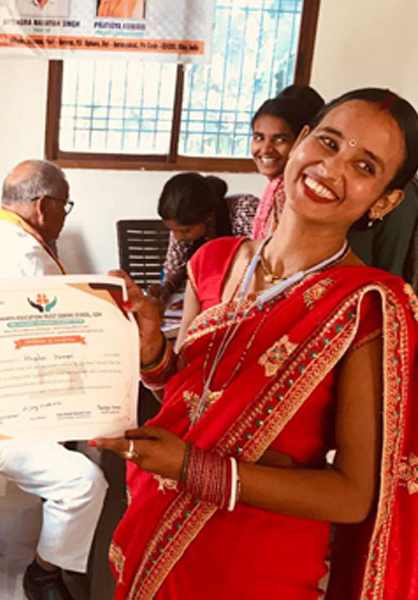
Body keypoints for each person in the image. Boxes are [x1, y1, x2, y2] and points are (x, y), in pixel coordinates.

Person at [92, 88, 418, 599]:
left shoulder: (365, 307)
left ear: (385, 200)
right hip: (153, 530)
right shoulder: (213, 262)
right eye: (329, 142)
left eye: (364, 166)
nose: (331, 169)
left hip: (252, 568)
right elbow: (185, 396)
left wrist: (194, 469)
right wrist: (153, 352)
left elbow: (352, 496)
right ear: (302, 140)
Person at [0, 160, 108, 600]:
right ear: (44, 206)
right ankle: (44, 574)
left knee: (91, 421)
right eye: (65, 205)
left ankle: (70, 552)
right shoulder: (23, 257)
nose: (65, 214)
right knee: (86, 480)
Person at [158, 173, 257, 300]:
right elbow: (174, 269)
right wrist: (166, 288)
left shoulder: (243, 211)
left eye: (185, 231)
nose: (177, 237)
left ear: (209, 218)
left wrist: (201, 298)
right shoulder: (182, 227)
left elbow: (253, 267)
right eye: (172, 230)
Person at [250, 86, 324, 239]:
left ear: (302, 139)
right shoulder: (277, 187)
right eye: (259, 137)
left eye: (280, 139)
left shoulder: (291, 192)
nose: (266, 149)